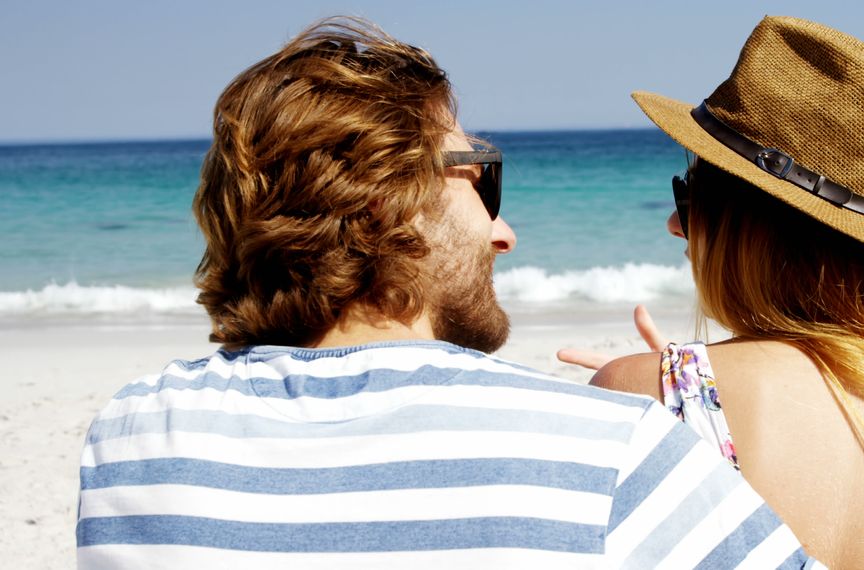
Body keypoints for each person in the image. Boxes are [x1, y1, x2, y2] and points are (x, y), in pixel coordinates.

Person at [75, 16, 819, 568]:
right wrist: (705, 446)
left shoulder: (130, 441)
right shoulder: (609, 451)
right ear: (384, 199)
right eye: (481, 177)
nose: (505, 233)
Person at [563, 15, 864, 569]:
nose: (674, 222)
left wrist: (668, 395)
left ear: (757, 227)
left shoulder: (645, 392)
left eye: (691, 192)